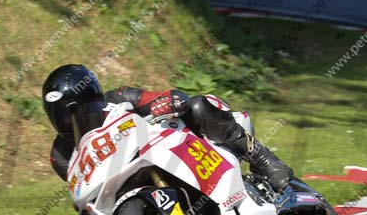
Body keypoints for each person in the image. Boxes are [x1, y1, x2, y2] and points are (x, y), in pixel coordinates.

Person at [43, 64, 293, 192]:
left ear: (95, 100)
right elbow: (84, 198)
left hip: (170, 150)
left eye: (78, 112)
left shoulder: (120, 97)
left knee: (197, 105)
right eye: (63, 116)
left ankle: (264, 159)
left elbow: (173, 97)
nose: (72, 121)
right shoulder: (61, 156)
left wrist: (166, 103)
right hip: (128, 191)